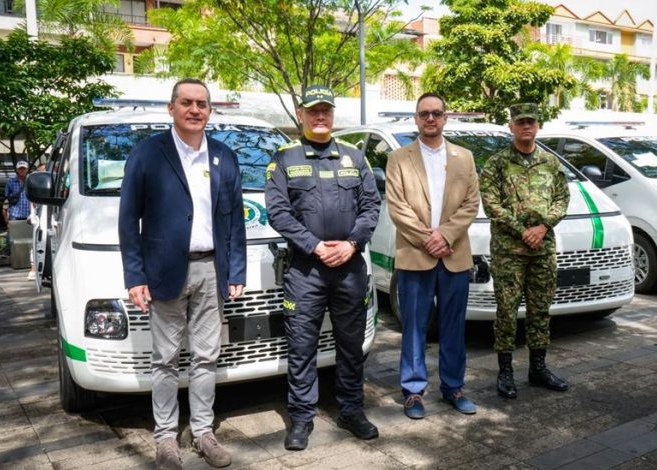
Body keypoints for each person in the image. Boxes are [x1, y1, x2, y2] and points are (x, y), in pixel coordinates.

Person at [119, 78, 246, 470]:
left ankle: (204, 433)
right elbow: (128, 221)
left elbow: (235, 220)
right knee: (165, 360)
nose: (195, 110)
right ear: (171, 108)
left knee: (207, 356)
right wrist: (134, 276)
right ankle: (165, 439)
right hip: (164, 272)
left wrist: (235, 269)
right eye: (187, 102)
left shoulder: (224, 155)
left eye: (202, 104)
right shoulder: (147, 154)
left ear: (210, 110)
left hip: (212, 270)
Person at [265, 85, 381, 451]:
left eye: (326, 111)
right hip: (306, 271)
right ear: (301, 114)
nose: (320, 117)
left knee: (351, 345)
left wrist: (350, 245)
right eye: (313, 110)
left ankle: (351, 409)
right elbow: (278, 212)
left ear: (333, 115)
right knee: (302, 346)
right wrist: (314, 245)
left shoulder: (353, 157)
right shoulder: (284, 158)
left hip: (349, 268)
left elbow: (371, 207)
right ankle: (301, 418)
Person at [384, 93, 480, 419]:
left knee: (454, 327)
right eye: (424, 113)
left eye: (436, 113)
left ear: (445, 117)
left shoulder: (464, 157)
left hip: (454, 255)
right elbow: (397, 207)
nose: (430, 118)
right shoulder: (399, 158)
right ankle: (413, 391)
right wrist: (429, 239)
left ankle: (453, 387)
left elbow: (471, 203)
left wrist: (446, 235)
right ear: (415, 118)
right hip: (415, 255)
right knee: (414, 327)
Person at [480, 103, 571, 399]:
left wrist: (543, 227)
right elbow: (492, 205)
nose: (526, 127)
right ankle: (505, 372)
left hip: (543, 249)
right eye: (520, 122)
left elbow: (562, 198)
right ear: (511, 127)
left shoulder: (550, 162)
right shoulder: (496, 164)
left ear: (538, 126)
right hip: (509, 251)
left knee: (540, 310)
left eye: (531, 122)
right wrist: (523, 231)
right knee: (506, 311)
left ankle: (538, 368)